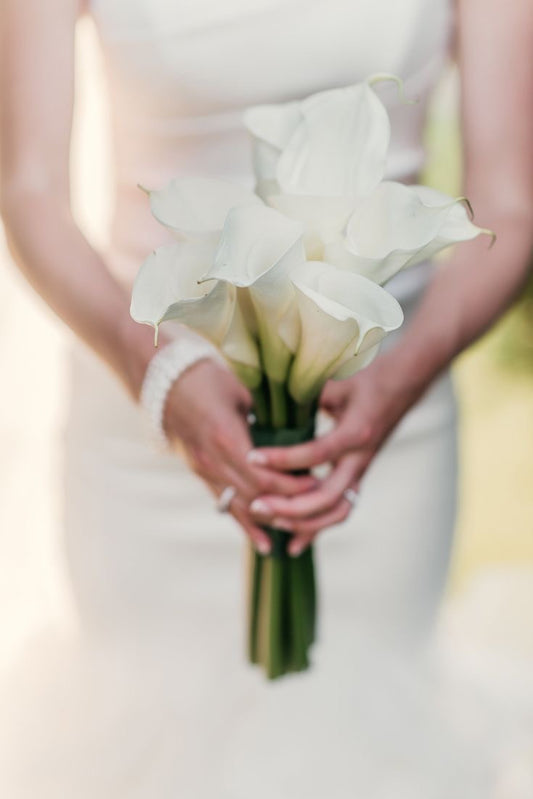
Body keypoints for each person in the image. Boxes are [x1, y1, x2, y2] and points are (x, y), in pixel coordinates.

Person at [1, 0, 532, 796]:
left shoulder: (392, 392)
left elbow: (509, 207)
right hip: (146, 416)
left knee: (361, 741)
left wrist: (394, 378)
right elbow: (30, 186)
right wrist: (156, 369)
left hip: (383, 419)